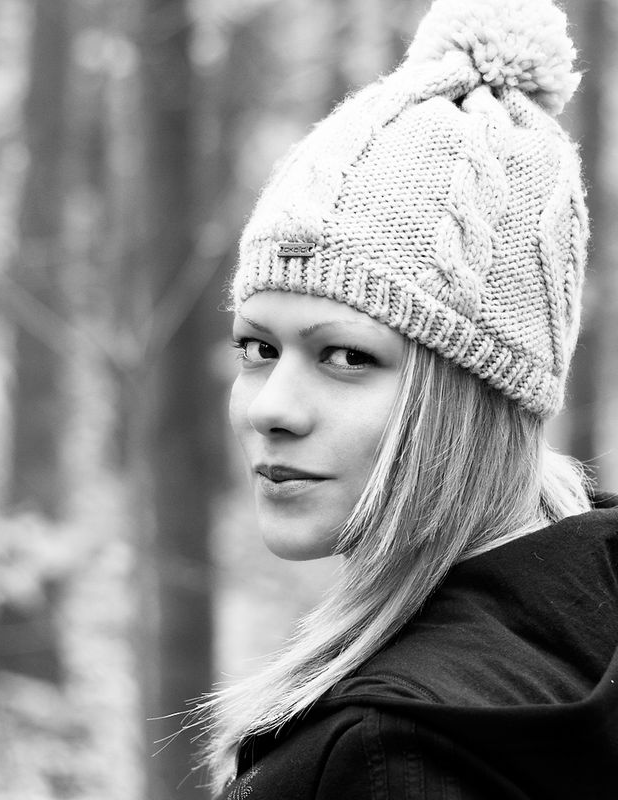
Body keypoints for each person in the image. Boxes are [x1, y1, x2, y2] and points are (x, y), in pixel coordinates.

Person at [197, 0, 618, 797]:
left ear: (477, 391)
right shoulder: (584, 632)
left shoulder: (387, 756)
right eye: (258, 349)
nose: (269, 409)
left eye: (346, 356)